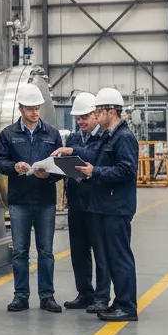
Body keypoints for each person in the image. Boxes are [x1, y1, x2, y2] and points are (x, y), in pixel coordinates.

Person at [53, 87, 139, 322]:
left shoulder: (124, 137)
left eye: (99, 112)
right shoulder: (110, 136)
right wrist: (73, 150)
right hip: (106, 205)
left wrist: (95, 172)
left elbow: (127, 170)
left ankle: (127, 306)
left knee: (120, 257)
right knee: (112, 257)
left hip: (117, 206)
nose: (96, 116)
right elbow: (94, 154)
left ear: (111, 111)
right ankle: (118, 302)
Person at [0, 83, 64, 313]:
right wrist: (15, 167)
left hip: (45, 200)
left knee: (46, 251)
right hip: (19, 201)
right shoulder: (8, 135)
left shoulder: (52, 134)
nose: (35, 113)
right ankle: (21, 296)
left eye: (38, 108)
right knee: (20, 251)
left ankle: (47, 296)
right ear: (21, 109)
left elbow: (60, 167)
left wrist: (48, 176)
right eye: (30, 108)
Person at [62, 93, 110, 313]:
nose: (81, 121)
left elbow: (97, 158)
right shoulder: (73, 138)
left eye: (85, 116)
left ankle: (101, 297)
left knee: (100, 252)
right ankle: (85, 293)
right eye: (78, 118)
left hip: (97, 203)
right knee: (79, 251)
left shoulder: (105, 138)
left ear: (96, 114)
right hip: (76, 201)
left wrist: (73, 152)